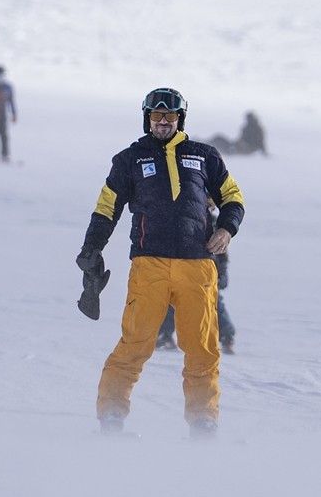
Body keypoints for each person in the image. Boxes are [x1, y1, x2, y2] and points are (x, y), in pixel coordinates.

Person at [77, 88, 245, 439]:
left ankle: (203, 422)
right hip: (148, 266)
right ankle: (110, 416)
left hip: (197, 267)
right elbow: (107, 207)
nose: (164, 122)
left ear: (180, 118)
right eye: (157, 116)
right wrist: (92, 247)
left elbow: (232, 197)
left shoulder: (204, 156)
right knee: (135, 343)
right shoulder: (129, 160)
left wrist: (228, 229)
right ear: (147, 118)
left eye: (170, 116)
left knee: (202, 349)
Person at [156, 204, 236, 354]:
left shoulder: (214, 224)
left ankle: (226, 336)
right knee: (172, 300)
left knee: (214, 303)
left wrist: (223, 272)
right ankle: (164, 334)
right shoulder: (183, 219)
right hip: (185, 267)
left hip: (209, 271)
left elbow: (222, 253)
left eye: (211, 205)